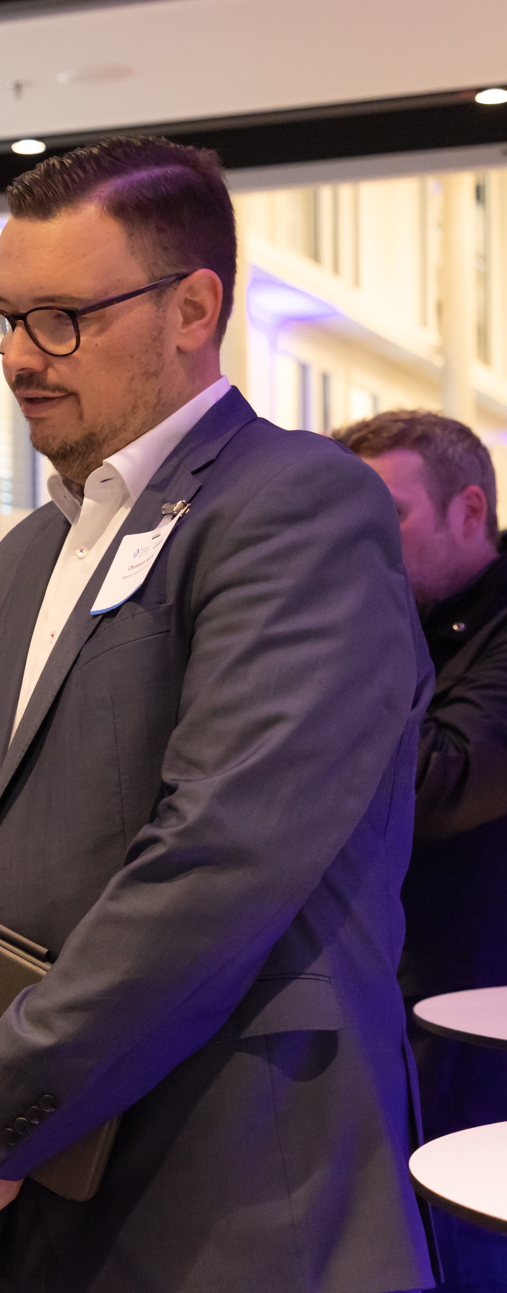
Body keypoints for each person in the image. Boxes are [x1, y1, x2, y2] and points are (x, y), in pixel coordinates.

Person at [0, 136, 436, 1293]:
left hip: (226, 1191)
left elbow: (219, 859)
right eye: (5, 317)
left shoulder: (295, 506)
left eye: (61, 316)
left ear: (192, 307)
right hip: (28, 1194)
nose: (19, 355)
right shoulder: (20, 557)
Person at [339, 409, 507, 1291]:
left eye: (386, 519)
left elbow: (438, 784)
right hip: (398, 1005)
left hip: (484, 1024)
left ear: (469, 510)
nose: (359, 548)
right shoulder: (423, 618)